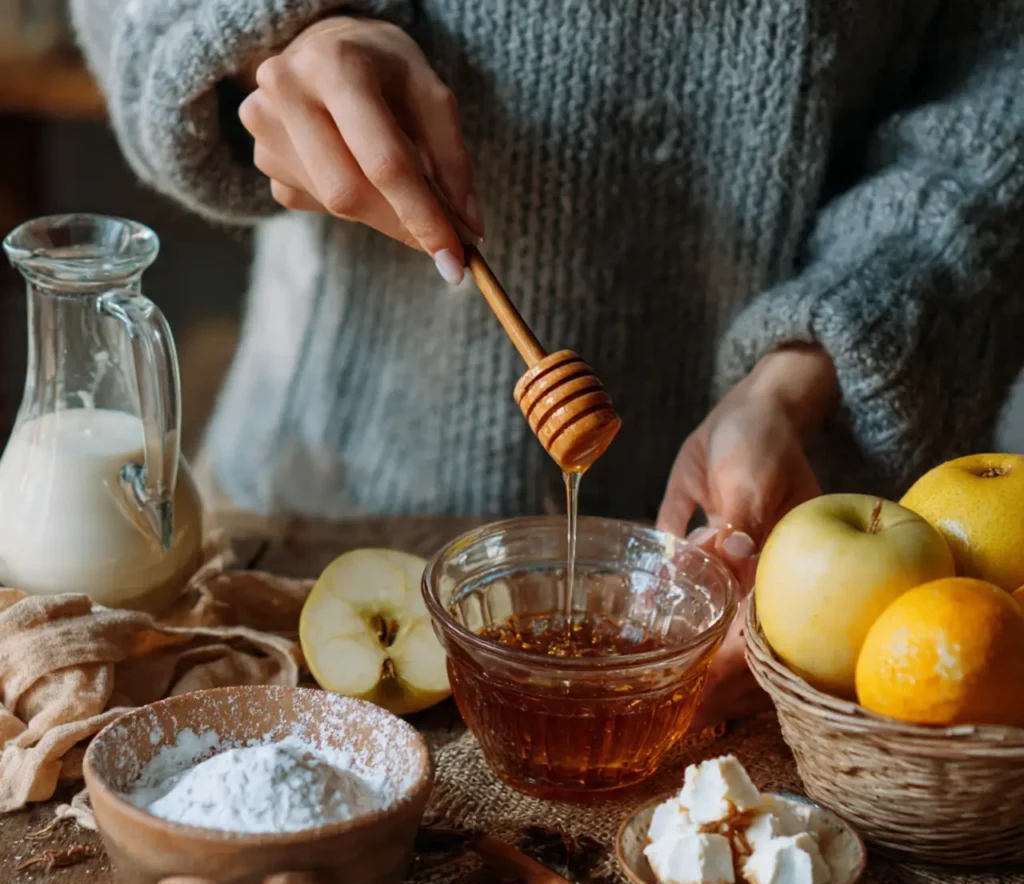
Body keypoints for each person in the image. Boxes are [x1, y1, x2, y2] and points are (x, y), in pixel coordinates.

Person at [71, 1, 1024, 723]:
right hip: (323, 511)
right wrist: (272, 37)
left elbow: (998, 92)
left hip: (787, 564)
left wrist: (800, 372)